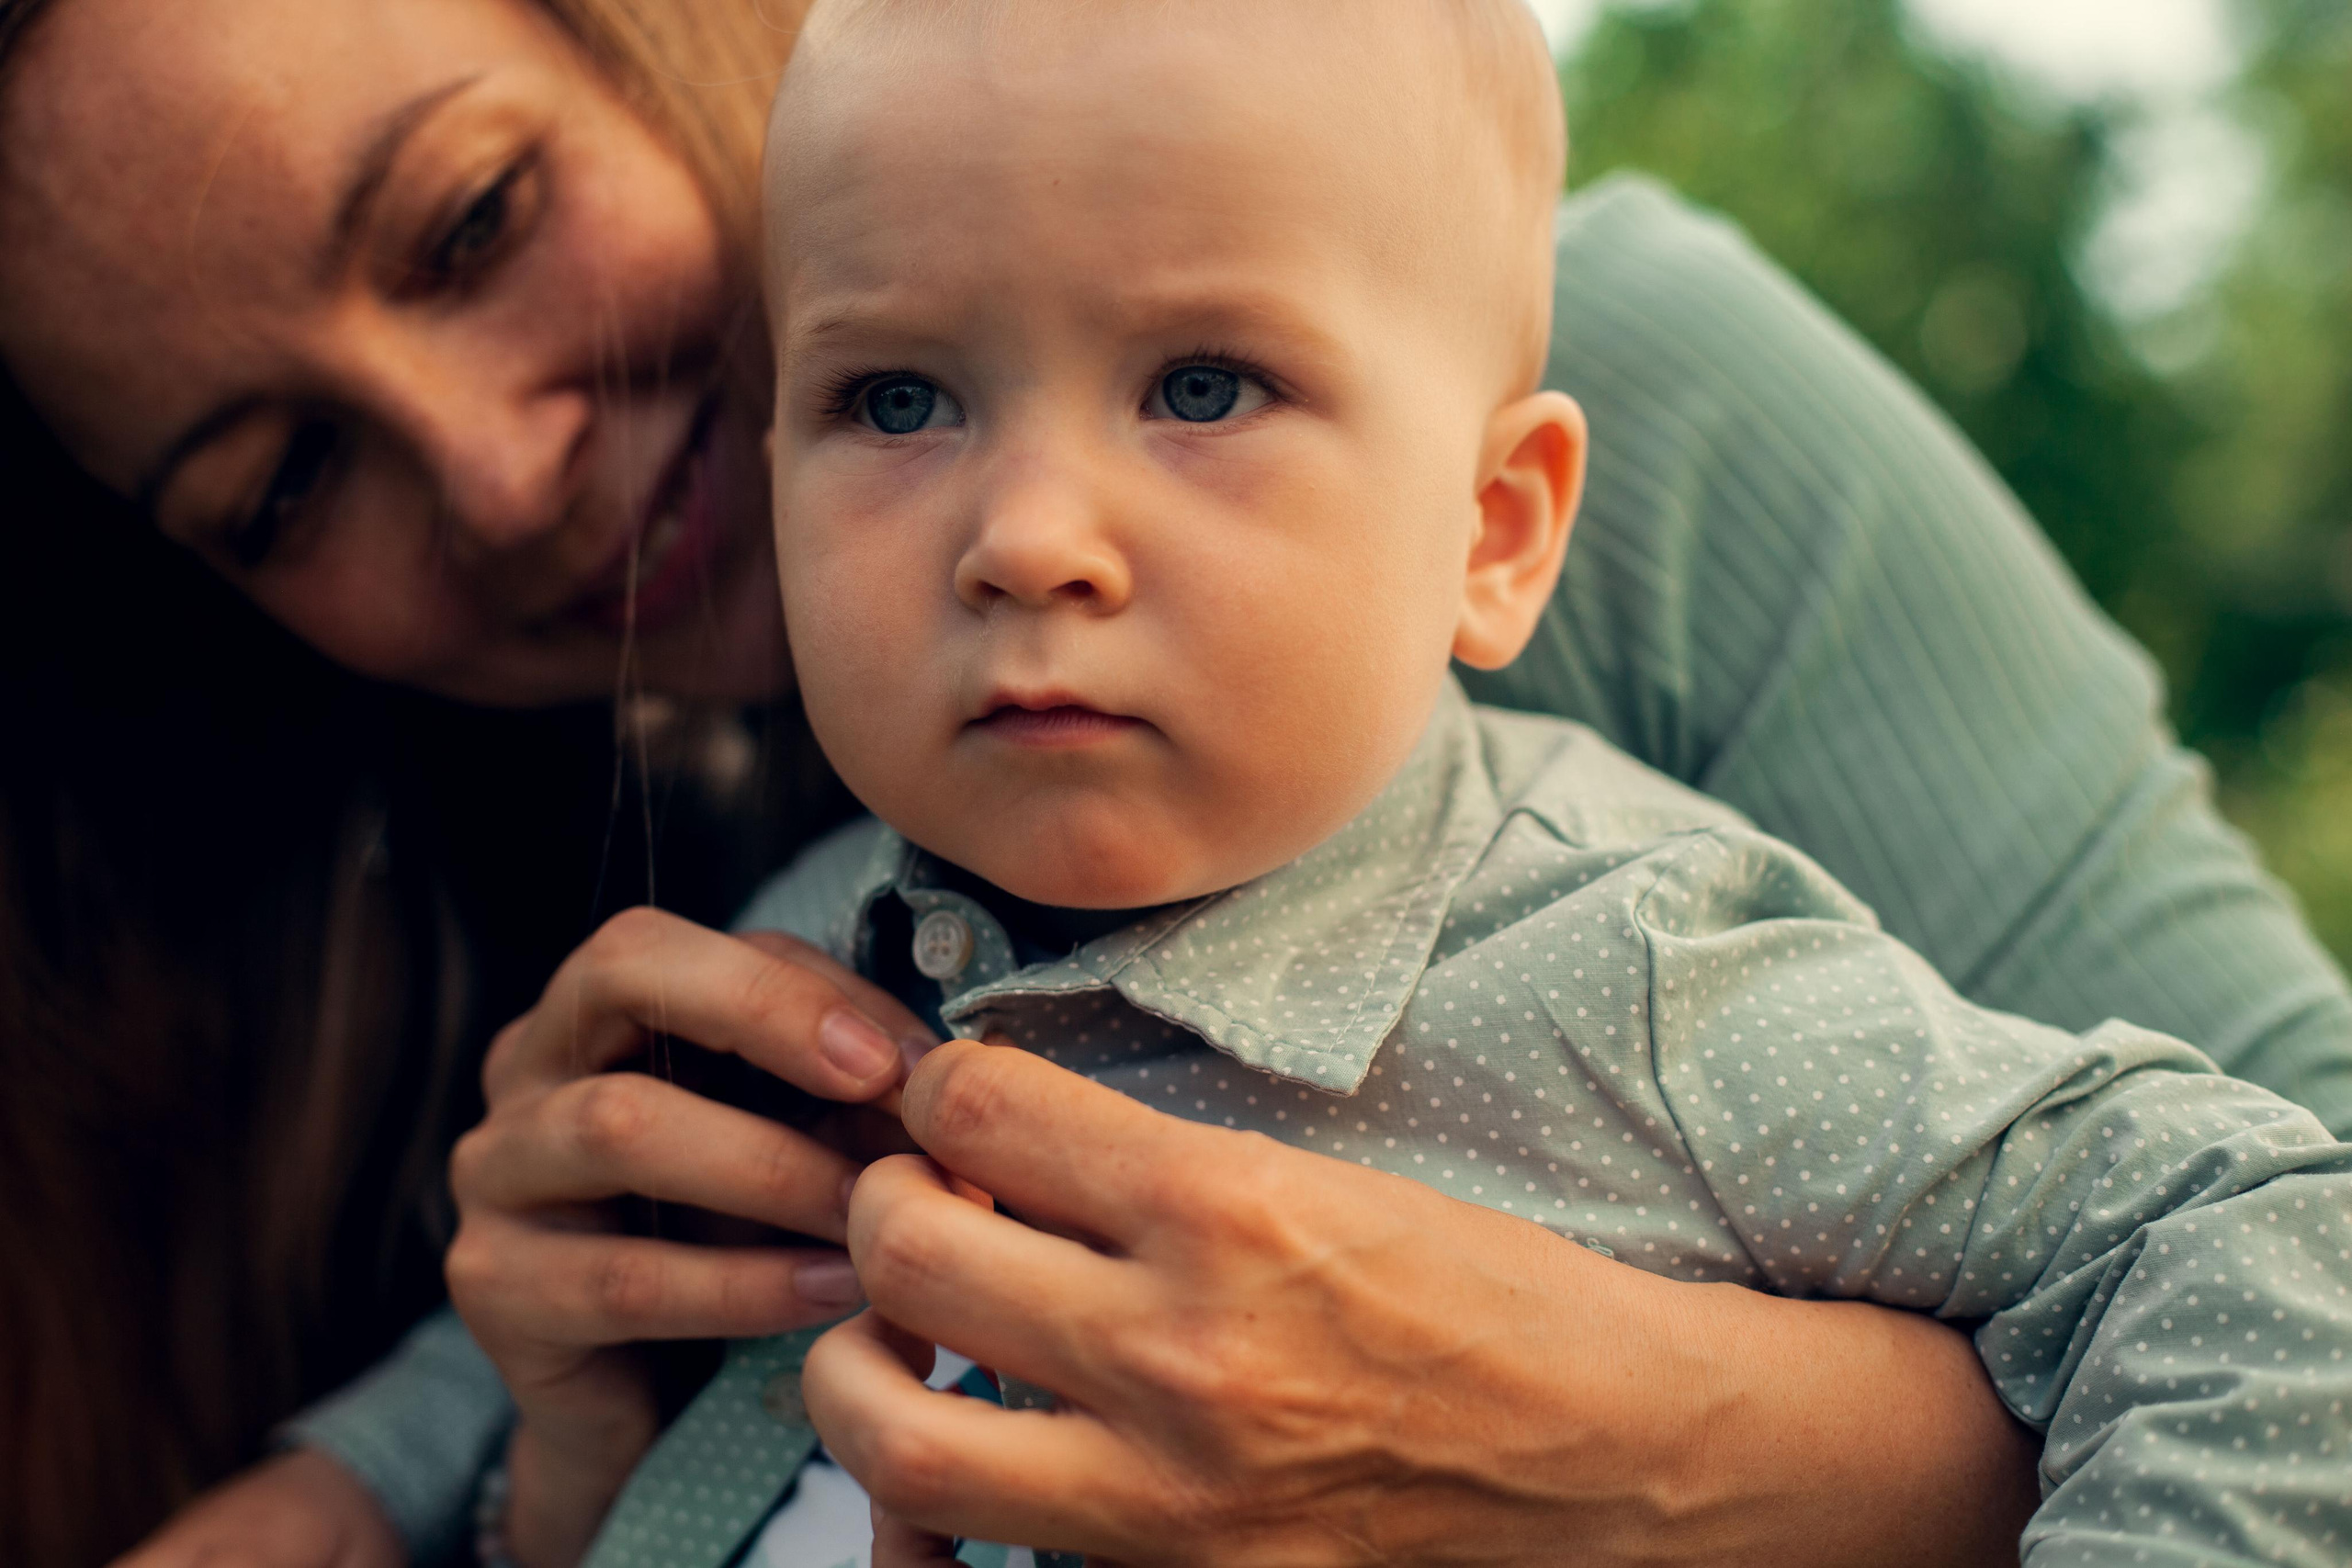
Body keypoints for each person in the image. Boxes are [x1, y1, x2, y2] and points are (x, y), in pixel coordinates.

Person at [0, 0, 2346, 1564]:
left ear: (1497, 519)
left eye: (474, 219)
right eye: (278, 479)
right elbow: (535, 1337)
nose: (493, 475)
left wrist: (1645, 1447)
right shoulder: (765, 936)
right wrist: (438, 1475)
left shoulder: (1630, 956)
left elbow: (2267, 1252)